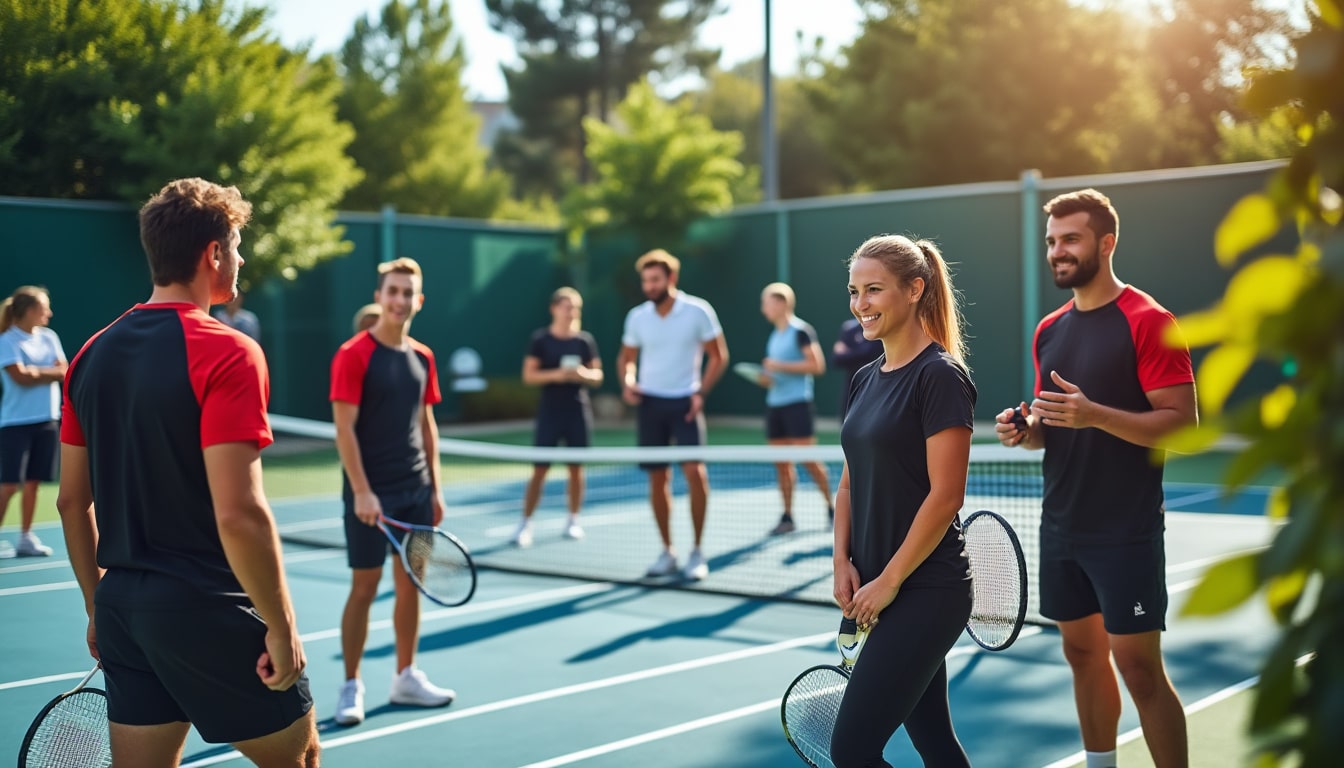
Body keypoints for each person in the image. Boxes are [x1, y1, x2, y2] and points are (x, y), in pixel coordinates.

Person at [55, 178, 318, 766]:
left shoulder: (88, 355)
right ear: (213, 254)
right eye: (238, 245)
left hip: (123, 609)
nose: (243, 258)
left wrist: (99, 607)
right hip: (206, 605)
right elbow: (240, 512)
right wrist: (282, 625)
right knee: (300, 761)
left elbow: (72, 503)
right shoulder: (229, 351)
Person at [995, 189, 1196, 768]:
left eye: (1071, 239)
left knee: (1139, 669)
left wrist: (1096, 414)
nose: (1058, 251)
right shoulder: (1049, 330)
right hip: (1061, 525)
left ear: (1105, 243)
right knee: (1081, 655)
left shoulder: (1151, 321)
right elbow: (1053, 425)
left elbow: (1182, 426)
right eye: (1053, 241)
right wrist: (1027, 429)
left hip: (1125, 530)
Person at [831, 234, 975, 768]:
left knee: (852, 751)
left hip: (926, 590)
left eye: (873, 290)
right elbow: (849, 483)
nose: (860, 305)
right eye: (853, 291)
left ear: (915, 289)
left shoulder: (940, 376)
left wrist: (888, 582)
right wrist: (841, 560)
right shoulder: (865, 379)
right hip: (873, 587)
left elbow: (946, 495)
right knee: (934, 742)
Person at [330, 257, 455, 727]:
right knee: (364, 588)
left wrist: (435, 491)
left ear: (418, 301)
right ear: (380, 296)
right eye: (393, 291)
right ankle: (350, 685)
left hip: (416, 495)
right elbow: (344, 430)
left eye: (408, 293)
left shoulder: (423, 357)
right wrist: (362, 492)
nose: (400, 300)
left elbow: (427, 425)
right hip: (369, 499)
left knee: (411, 583)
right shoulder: (353, 354)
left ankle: (406, 677)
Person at [617, 249, 728, 581]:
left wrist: (699, 393)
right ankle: (668, 551)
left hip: (685, 404)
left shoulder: (698, 311)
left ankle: (696, 551)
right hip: (651, 404)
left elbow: (718, 356)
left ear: (671, 279)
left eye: (655, 280)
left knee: (696, 473)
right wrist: (627, 382)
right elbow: (626, 358)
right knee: (657, 478)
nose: (649, 286)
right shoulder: (637, 317)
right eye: (645, 281)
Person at [511, 287, 603, 547]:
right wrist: (557, 375)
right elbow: (529, 376)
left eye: (575, 308)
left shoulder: (585, 341)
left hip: (577, 412)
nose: (571, 312)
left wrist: (581, 374)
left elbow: (598, 376)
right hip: (550, 412)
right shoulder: (540, 340)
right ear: (554, 309)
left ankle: (573, 519)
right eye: (566, 306)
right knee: (540, 470)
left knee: (576, 469)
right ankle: (525, 523)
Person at [754, 282, 834, 536]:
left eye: (766, 302)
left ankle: (833, 509)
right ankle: (787, 516)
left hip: (798, 405)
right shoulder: (773, 336)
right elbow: (774, 374)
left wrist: (778, 366)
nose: (763, 308)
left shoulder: (801, 331)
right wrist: (765, 377)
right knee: (781, 464)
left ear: (780, 303)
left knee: (809, 460)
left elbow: (816, 365)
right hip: (775, 406)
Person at [0, 286, 66, 558]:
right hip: (15, 422)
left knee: (34, 483)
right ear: (28, 311)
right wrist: (46, 372)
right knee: (8, 485)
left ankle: (26, 537)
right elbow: (20, 377)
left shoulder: (49, 337)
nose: (49, 313)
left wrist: (36, 371)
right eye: (43, 308)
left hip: (47, 420)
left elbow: (64, 370)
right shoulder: (6, 341)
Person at [830, 317, 882, 418]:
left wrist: (849, 352)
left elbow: (872, 353)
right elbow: (837, 359)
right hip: (852, 389)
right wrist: (862, 351)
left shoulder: (881, 327)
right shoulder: (849, 328)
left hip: (876, 388)